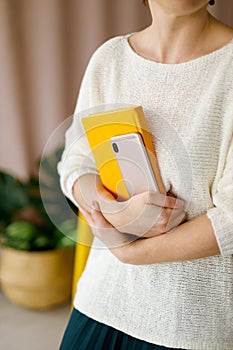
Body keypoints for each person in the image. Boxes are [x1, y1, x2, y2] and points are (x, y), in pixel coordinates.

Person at [58, 0, 233, 349]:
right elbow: (76, 163)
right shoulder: (110, 60)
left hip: (192, 324)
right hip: (101, 302)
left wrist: (130, 252)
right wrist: (113, 210)